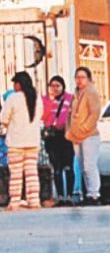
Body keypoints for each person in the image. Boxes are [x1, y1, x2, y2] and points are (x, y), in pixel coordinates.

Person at [0, 72, 45, 210]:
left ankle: (14, 202)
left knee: (16, 175)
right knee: (32, 174)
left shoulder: (13, 98)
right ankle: (34, 200)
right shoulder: (37, 98)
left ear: (19, 84)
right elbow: (41, 115)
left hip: (16, 143)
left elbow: (4, 118)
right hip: (32, 141)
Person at [66, 67, 102, 205]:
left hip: (89, 135)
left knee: (89, 165)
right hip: (76, 135)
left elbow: (95, 113)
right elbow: (70, 114)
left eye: (82, 77)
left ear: (88, 79)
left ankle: (94, 194)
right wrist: (69, 131)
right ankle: (88, 193)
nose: (79, 80)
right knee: (81, 166)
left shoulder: (91, 92)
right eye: (77, 77)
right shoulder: (76, 93)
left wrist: (84, 127)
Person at [42, 75, 75, 206]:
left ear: (63, 86)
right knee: (56, 167)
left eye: (57, 86)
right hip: (52, 136)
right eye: (52, 86)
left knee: (68, 166)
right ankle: (60, 196)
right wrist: (50, 102)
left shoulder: (70, 98)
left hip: (66, 136)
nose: (55, 88)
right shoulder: (44, 100)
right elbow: (43, 116)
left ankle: (70, 196)